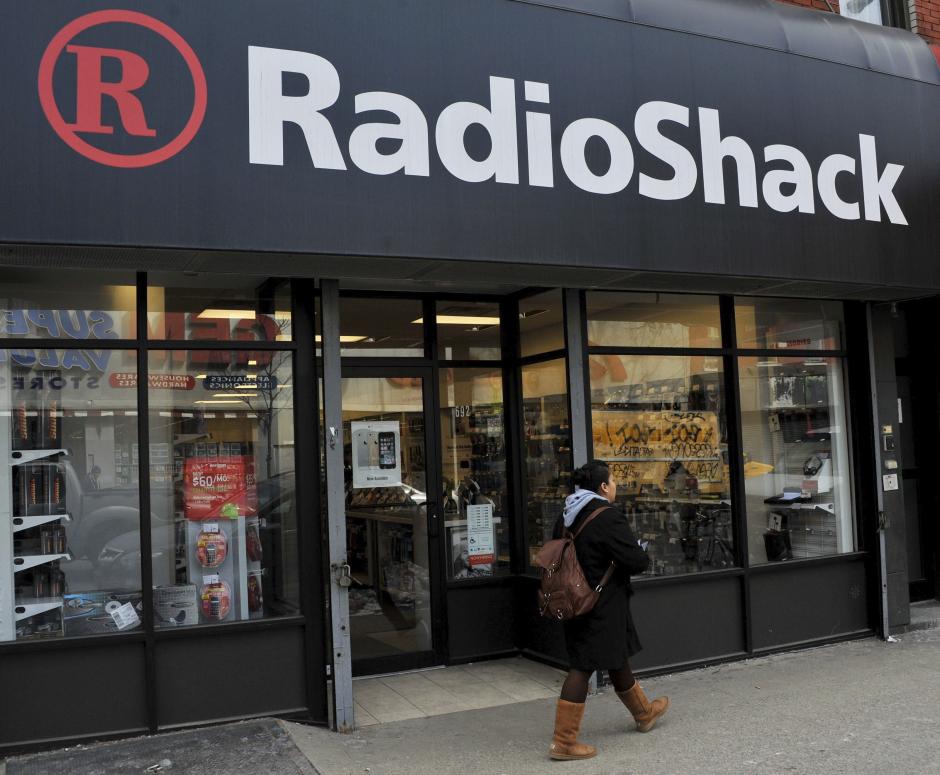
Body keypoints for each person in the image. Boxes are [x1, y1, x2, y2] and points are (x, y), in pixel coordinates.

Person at [548, 459, 669, 761]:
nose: (615, 486)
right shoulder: (606, 516)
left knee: (615, 657)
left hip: (573, 600)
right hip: (601, 603)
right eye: (613, 481)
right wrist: (639, 549)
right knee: (582, 666)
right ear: (603, 486)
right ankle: (564, 743)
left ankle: (644, 713)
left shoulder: (565, 515)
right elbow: (636, 561)